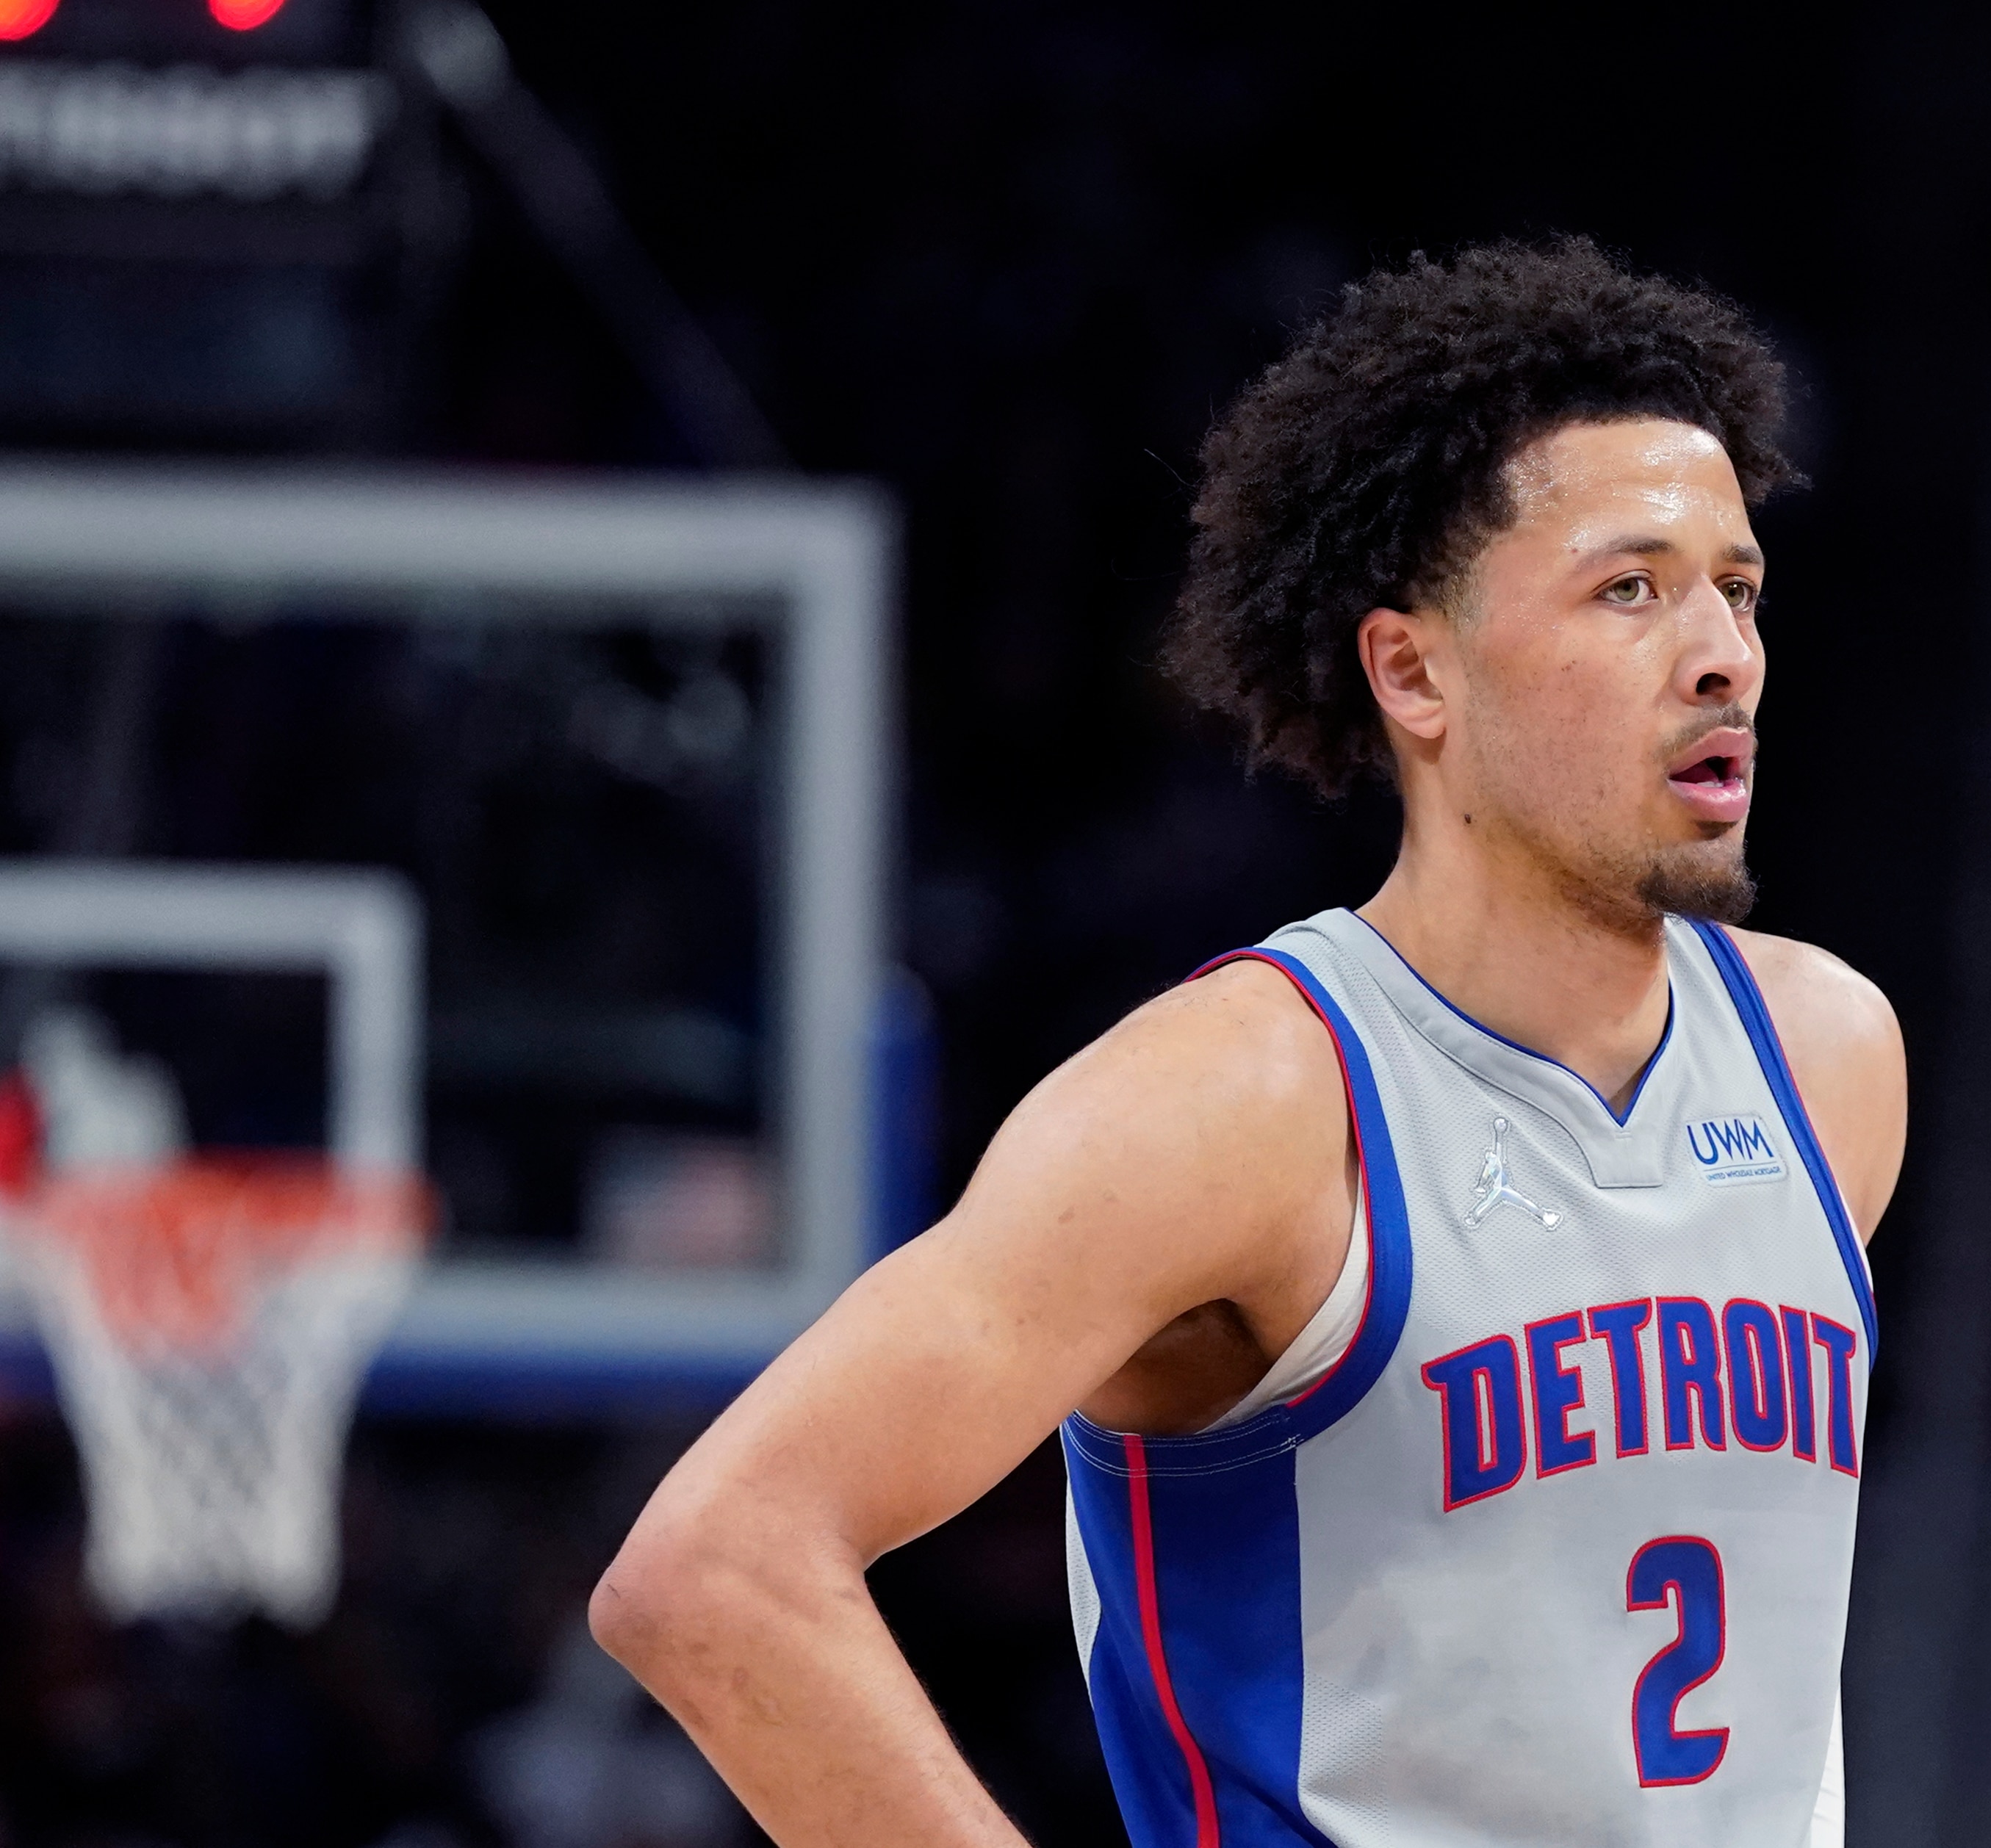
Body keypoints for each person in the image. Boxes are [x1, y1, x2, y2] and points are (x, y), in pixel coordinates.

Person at [590, 237, 1907, 1848]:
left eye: (1738, 587)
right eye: (1629, 587)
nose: (1721, 654)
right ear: (1413, 669)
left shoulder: (1831, 1061)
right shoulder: (1239, 1101)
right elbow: (716, 1568)